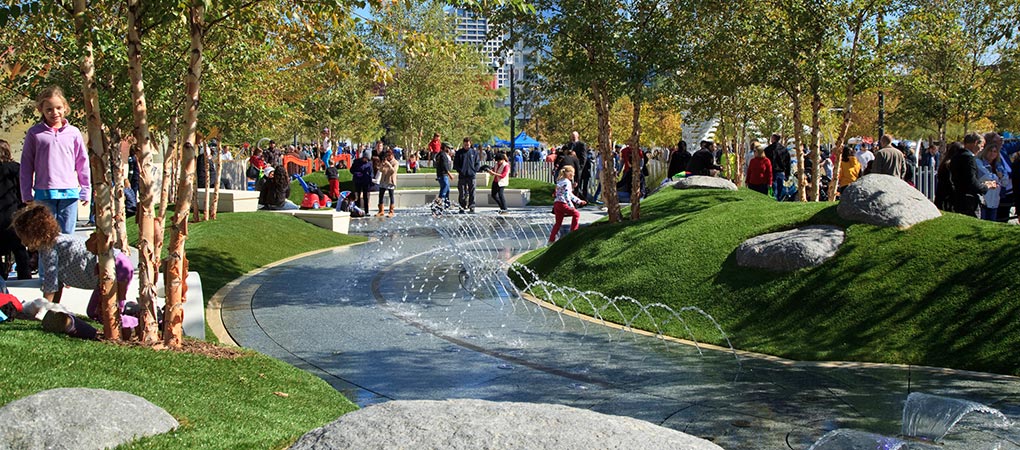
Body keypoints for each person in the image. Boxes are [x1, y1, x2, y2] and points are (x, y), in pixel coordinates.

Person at [20, 86, 91, 235]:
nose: (55, 113)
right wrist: (26, 192)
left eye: (58, 108)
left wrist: (85, 189)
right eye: (49, 109)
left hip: (69, 193)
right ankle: (44, 260)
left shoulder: (74, 133)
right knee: (46, 236)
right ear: (41, 110)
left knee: (67, 236)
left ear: (65, 107)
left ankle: (66, 260)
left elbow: (82, 163)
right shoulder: (35, 134)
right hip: (44, 193)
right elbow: (26, 165)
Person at [0, 140, 31, 280]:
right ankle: (24, 275)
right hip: (13, 211)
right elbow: (22, 190)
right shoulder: (16, 168)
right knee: (19, 248)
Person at [950, 133, 996, 217]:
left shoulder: (957, 156)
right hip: (969, 201)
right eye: (981, 146)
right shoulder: (969, 158)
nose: (981, 149)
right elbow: (971, 182)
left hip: (957, 197)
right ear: (975, 143)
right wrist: (986, 186)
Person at [976, 133, 1011, 221]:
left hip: (995, 200)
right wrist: (998, 176)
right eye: (990, 151)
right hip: (984, 199)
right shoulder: (979, 162)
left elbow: (1005, 181)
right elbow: (986, 177)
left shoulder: (999, 165)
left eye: (995, 151)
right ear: (985, 151)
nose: (992, 153)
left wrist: (1000, 177)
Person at [548, 166, 587, 243]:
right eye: (573, 173)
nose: (574, 175)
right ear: (569, 173)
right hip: (563, 203)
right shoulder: (567, 182)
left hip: (556, 204)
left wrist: (579, 201)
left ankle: (551, 239)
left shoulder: (560, 181)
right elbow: (566, 195)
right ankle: (573, 233)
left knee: (558, 223)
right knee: (576, 214)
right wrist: (571, 206)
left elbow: (570, 194)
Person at [934, 142, 964, 211]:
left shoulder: (944, 163)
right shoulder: (950, 165)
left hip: (941, 194)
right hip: (947, 197)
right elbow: (950, 182)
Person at [454, 138, 480, 213]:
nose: (466, 146)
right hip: (462, 176)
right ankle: (462, 205)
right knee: (462, 192)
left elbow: (477, 163)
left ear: (470, 144)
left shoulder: (474, 153)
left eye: (468, 145)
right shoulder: (459, 153)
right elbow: (456, 164)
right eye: (465, 145)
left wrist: (474, 170)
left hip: (471, 175)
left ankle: (472, 205)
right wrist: (460, 171)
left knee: (472, 191)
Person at [433, 142, 455, 214]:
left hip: (441, 175)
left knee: (447, 190)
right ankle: (437, 207)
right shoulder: (443, 155)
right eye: (449, 148)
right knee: (443, 191)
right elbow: (444, 166)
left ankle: (446, 205)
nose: (449, 150)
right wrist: (450, 174)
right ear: (445, 147)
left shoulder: (440, 154)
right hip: (443, 175)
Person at [376, 149, 399, 217]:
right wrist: (382, 165)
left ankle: (391, 211)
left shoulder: (395, 162)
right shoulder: (385, 162)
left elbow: (393, 171)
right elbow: (380, 170)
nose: (388, 157)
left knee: (391, 196)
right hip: (383, 180)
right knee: (381, 196)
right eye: (387, 156)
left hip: (390, 181)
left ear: (392, 155)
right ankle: (381, 211)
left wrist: (389, 164)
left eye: (389, 155)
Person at [350, 150, 374, 214]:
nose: (366, 160)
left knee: (365, 197)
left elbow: (371, 173)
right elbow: (351, 170)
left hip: (366, 182)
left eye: (368, 159)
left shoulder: (369, 163)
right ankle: (357, 210)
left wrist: (371, 179)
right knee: (357, 196)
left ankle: (366, 211)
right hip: (358, 181)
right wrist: (357, 173)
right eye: (366, 159)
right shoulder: (356, 162)